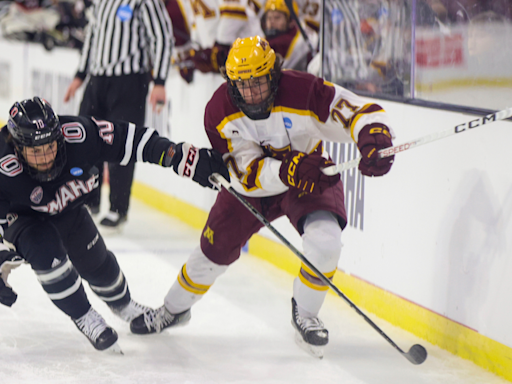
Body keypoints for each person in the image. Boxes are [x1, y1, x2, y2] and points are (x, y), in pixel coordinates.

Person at [129, 36, 395, 358]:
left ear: (273, 75)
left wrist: (373, 137)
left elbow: (357, 110)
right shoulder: (218, 111)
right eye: (243, 85)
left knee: (326, 243)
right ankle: (173, 309)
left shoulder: (303, 90)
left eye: (259, 83)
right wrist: (286, 171)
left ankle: (306, 314)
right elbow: (243, 174)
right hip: (252, 190)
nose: (252, 94)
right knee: (210, 253)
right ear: (231, 84)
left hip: (309, 178)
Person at [0, 97, 229, 352]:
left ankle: (124, 305)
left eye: (50, 146)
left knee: (97, 263)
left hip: (66, 209)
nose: (45, 158)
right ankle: (84, 315)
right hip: (23, 219)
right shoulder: (2, 165)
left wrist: (179, 156)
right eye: (35, 150)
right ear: (17, 147)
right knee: (47, 255)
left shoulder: (80, 134)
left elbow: (130, 139)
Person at [64, 0, 173, 230]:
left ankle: (118, 208)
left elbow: (162, 36)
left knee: (123, 142)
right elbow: (92, 36)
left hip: (130, 81)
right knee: (84, 138)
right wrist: (80, 74)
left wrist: (160, 81)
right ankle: (88, 200)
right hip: (97, 79)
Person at [260, 0, 315, 71]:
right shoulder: (261, 40)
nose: (272, 21)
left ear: (291, 21)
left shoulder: (303, 41)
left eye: (277, 17)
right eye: (269, 18)